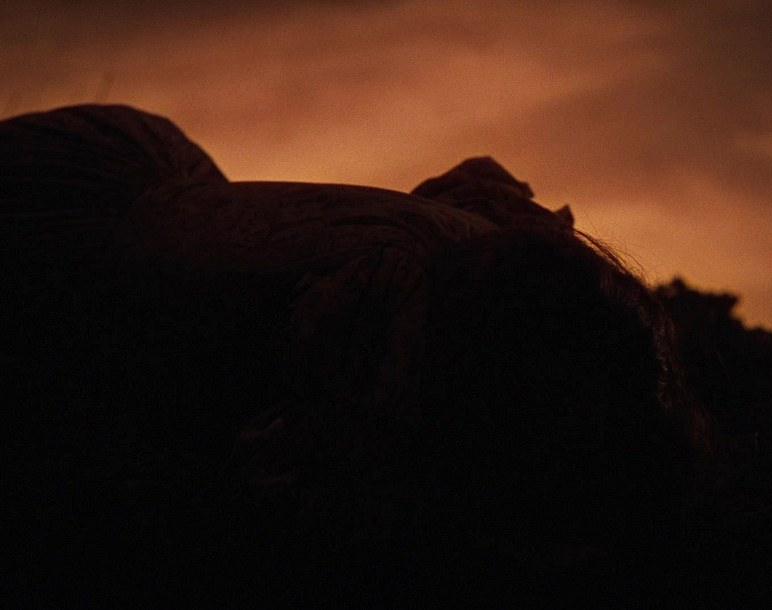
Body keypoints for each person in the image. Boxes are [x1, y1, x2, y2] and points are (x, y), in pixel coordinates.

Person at [2, 104, 708, 602]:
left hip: (128, 183)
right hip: (76, 214)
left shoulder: (479, 260)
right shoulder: (399, 289)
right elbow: (301, 493)